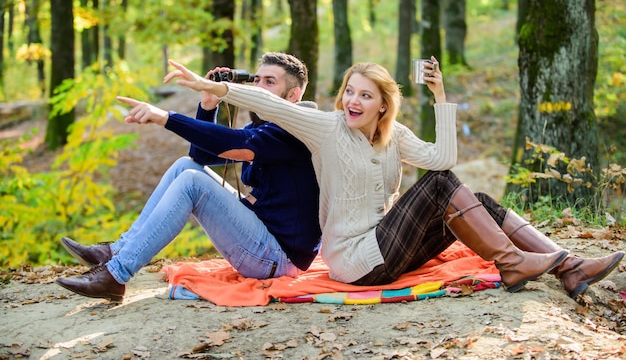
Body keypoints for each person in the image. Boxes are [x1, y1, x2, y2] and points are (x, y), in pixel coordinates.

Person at [164, 57, 624, 299]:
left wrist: (440, 93)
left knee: (478, 196)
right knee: (441, 185)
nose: (354, 101)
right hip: (353, 259)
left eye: (366, 95)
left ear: (384, 104)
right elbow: (273, 105)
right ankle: (513, 262)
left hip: (388, 245)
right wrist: (217, 89)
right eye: (350, 92)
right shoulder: (326, 128)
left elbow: (443, 155)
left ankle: (568, 268)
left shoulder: (393, 134)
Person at [56, 52, 321, 303]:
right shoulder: (266, 126)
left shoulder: (295, 130)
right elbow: (201, 157)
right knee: (185, 167)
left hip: (278, 258)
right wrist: (208, 105)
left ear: (293, 95)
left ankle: (115, 275)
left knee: (193, 183)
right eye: (257, 80)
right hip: (263, 241)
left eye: (270, 82)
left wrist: (166, 118)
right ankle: (116, 251)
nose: (258, 87)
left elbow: (236, 142)